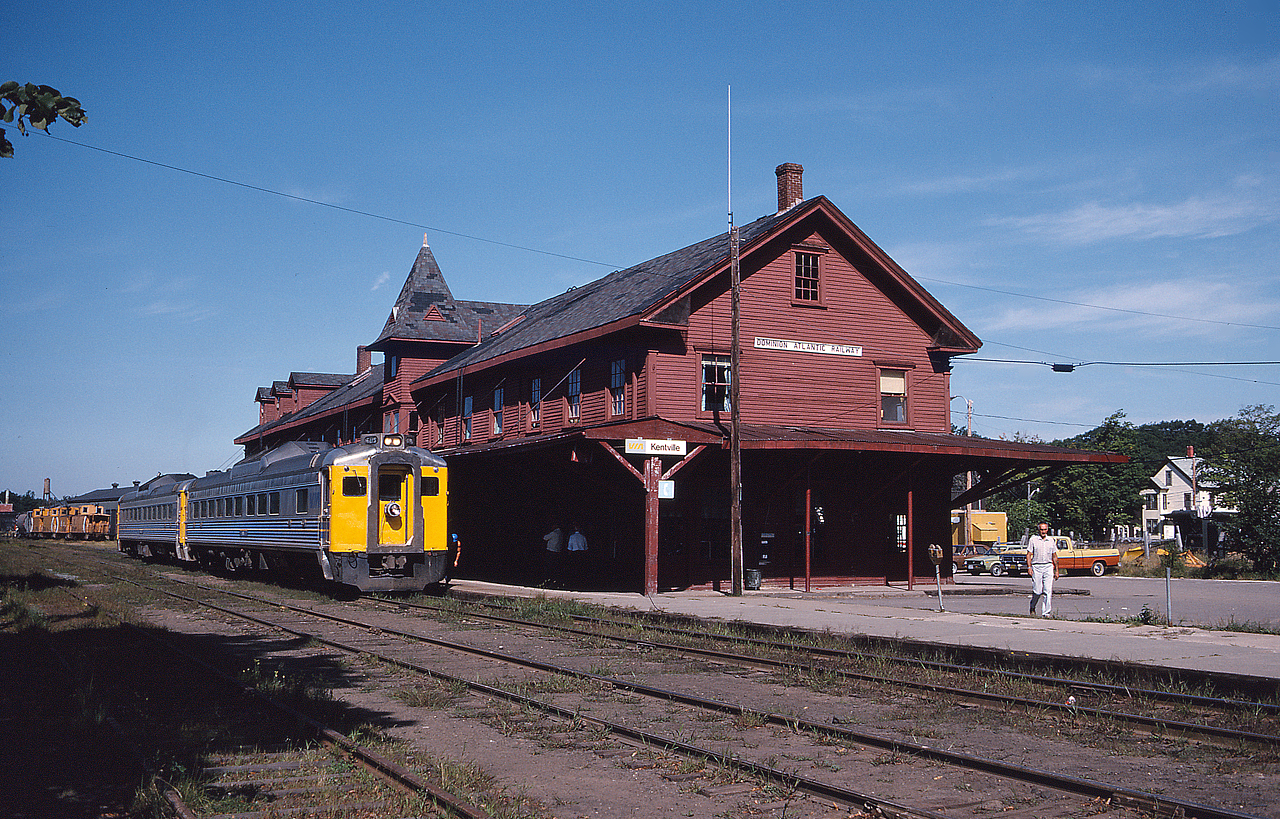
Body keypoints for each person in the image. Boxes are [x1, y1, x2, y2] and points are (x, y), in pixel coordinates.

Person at [1025, 522, 1060, 616]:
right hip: (1037, 566)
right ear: (1038, 530)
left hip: (1048, 566)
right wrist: (1029, 567)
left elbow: (1055, 556)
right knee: (1037, 591)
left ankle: (1046, 613)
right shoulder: (1033, 540)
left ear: (1047, 530)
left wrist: (1057, 570)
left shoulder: (1051, 540)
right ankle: (1032, 606)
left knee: (1048, 591)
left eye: (1045, 529)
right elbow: (1028, 554)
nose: (1043, 531)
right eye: (1041, 529)